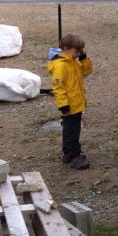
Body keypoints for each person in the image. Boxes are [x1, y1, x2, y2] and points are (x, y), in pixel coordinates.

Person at [47, 33, 93, 170]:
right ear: (65, 48)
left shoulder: (73, 62)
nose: (78, 54)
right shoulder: (61, 66)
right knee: (71, 131)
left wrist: (84, 59)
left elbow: (87, 71)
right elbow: (58, 86)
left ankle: (68, 153)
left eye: (80, 51)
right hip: (69, 105)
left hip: (77, 103)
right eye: (76, 51)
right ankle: (74, 156)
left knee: (73, 129)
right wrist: (63, 105)